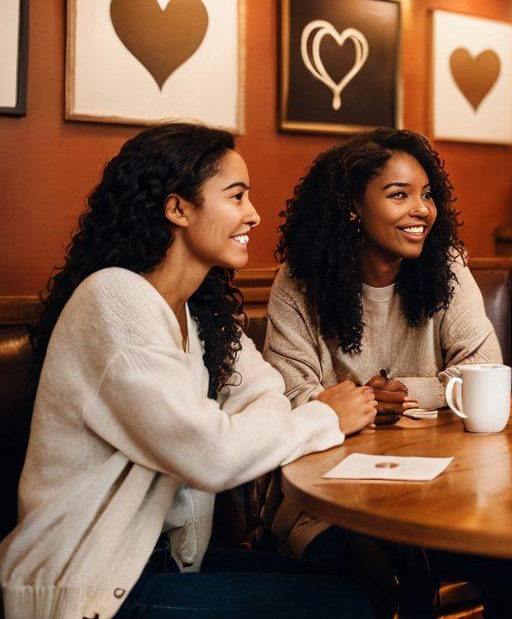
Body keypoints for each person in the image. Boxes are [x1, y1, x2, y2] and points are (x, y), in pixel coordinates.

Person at [0, 123, 376, 619]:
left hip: (168, 564)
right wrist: (323, 419)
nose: (254, 214)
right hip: (90, 586)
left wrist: (254, 425)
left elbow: (268, 394)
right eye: (236, 196)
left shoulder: (199, 310)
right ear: (178, 208)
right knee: (342, 606)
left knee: (358, 585)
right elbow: (211, 455)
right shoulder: (113, 299)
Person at [262, 128, 500, 559]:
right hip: (328, 498)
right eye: (398, 195)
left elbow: (484, 371)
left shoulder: (447, 267)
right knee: (376, 560)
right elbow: (285, 398)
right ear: (353, 206)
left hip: (443, 485)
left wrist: (403, 393)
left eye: (426, 195)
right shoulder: (300, 282)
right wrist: (364, 403)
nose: (421, 210)